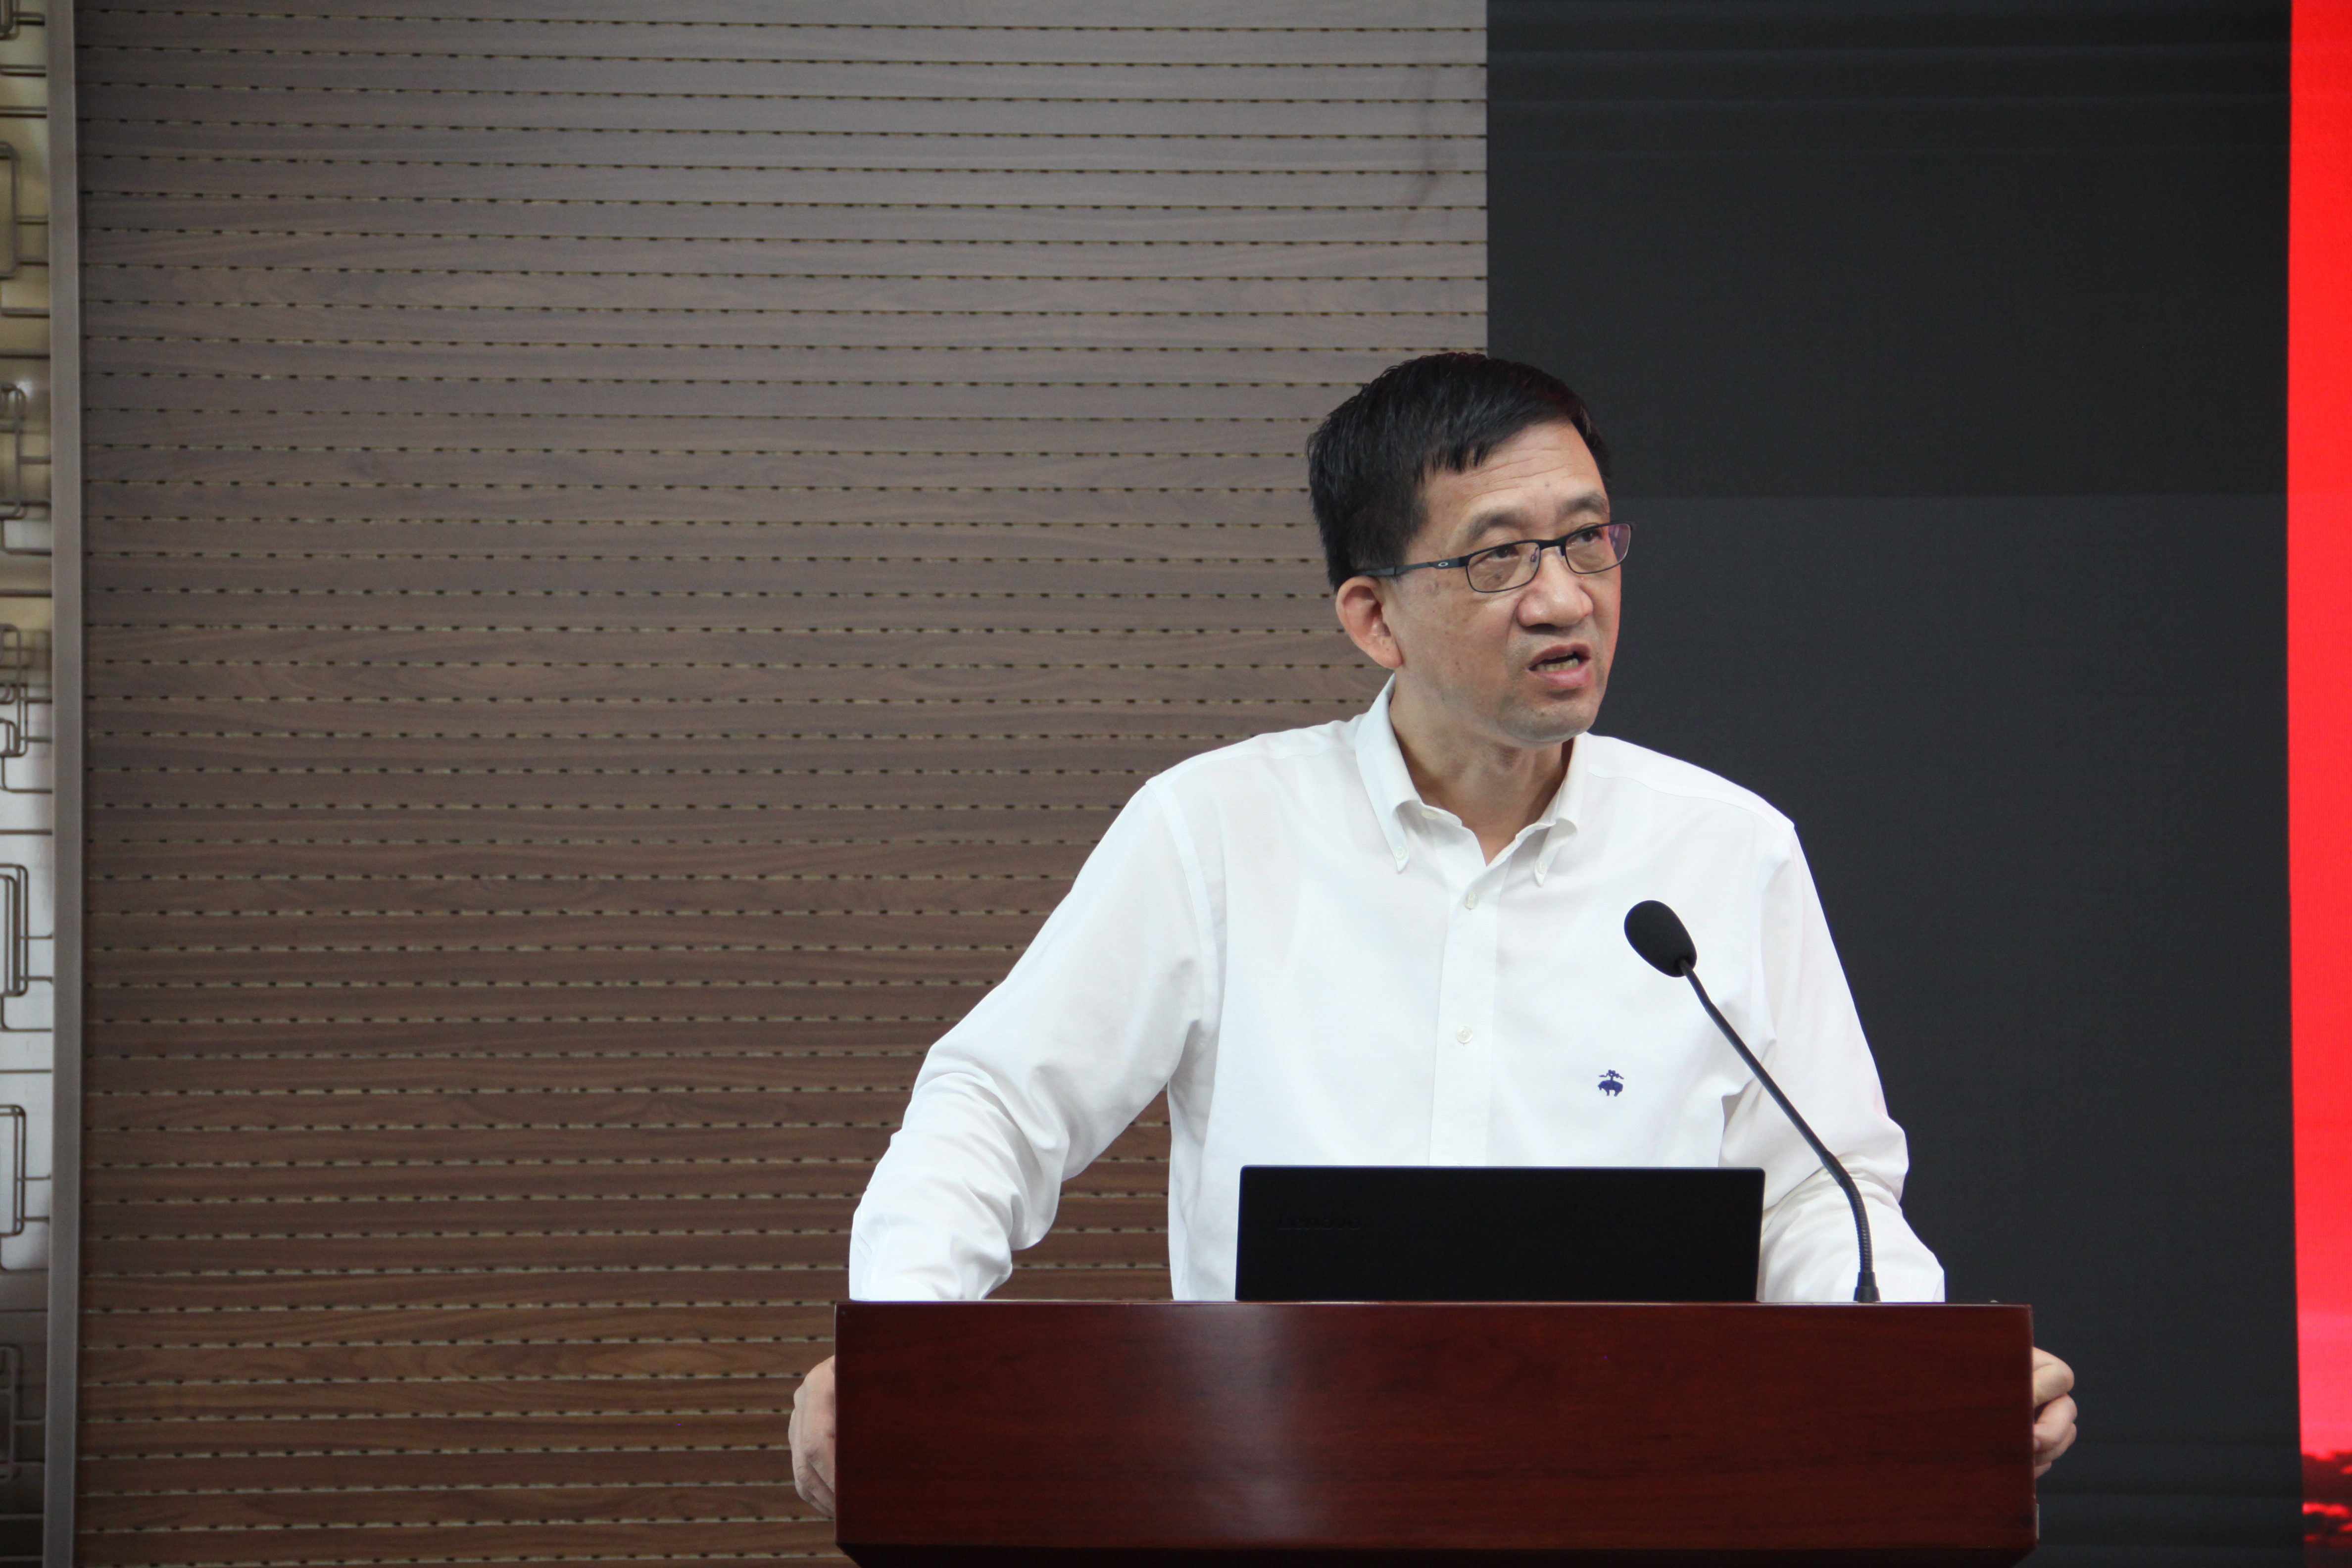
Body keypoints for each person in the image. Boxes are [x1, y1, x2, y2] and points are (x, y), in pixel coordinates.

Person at [787, 353, 2077, 1515]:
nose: (1564, 598)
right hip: (1279, 1502)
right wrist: (900, 1350)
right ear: (1374, 617)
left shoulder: (1726, 852)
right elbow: (998, 1107)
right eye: (1497, 558)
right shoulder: (1218, 830)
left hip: (1636, 1508)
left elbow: (1821, 1193)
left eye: (1588, 540)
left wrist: (1925, 1379)